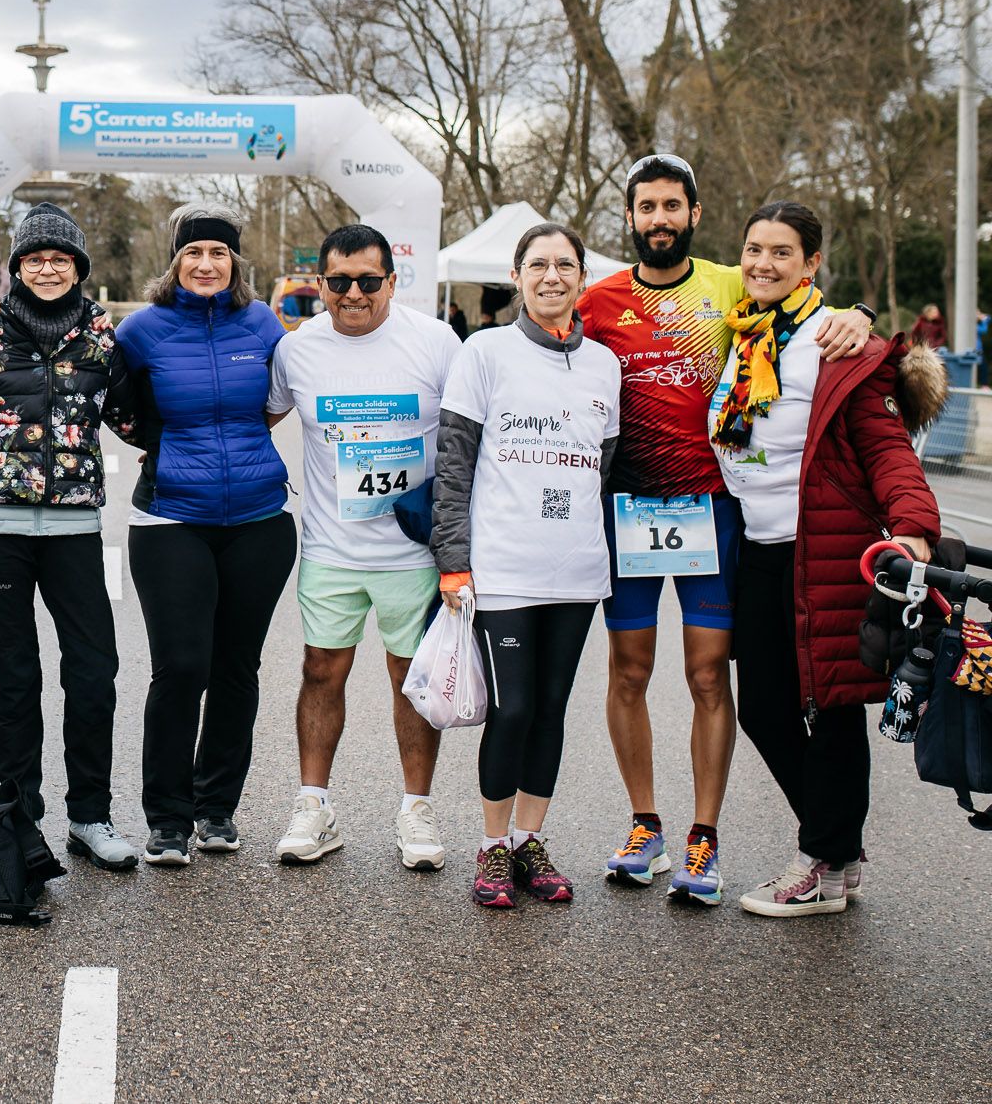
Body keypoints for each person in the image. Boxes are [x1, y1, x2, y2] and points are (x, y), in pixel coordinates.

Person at [577, 154, 870, 902]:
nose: (659, 219)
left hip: (715, 508)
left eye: (672, 205)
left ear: (695, 214)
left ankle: (705, 838)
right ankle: (647, 824)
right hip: (631, 509)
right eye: (647, 207)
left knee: (710, 674)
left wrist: (859, 315)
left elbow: (807, 300)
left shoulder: (733, 283)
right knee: (629, 673)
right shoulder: (599, 299)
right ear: (631, 215)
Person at [711, 201, 942, 917]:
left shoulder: (839, 345)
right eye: (754, 249)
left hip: (827, 551)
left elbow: (886, 448)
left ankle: (820, 859)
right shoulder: (741, 332)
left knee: (831, 709)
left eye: (782, 253)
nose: (763, 264)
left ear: (812, 263)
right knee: (765, 710)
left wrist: (914, 528)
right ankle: (837, 850)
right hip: (758, 549)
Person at [433, 222, 620, 909]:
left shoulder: (605, 364)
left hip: (574, 572)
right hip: (502, 569)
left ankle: (528, 843)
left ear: (581, 276)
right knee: (510, 712)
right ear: (517, 276)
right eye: (537, 264)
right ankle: (489, 848)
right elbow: (453, 465)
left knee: (550, 710)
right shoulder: (484, 352)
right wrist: (453, 561)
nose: (551, 276)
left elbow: (599, 470)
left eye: (564, 264)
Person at [265, 224, 461, 871]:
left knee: (413, 681)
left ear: (391, 282)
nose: (353, 294)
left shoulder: (435, 342)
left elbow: (468, 442)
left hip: (413, 551)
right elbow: (254, 420)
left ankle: (416, 808)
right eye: (339, 281)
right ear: (319, 282)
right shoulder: (297, 352)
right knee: (321, 670)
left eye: (368, 281)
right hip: (331, 547)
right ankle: (313, 804)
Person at [0, 202, 141, 872]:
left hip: (74, 527)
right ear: (17, 267)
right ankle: (19, 819)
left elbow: (131, 418)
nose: (48, 267)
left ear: (79, 267)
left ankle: (89, 814)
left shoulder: (104, 341)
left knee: (94, 671)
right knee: (13, 677)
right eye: (35, 257)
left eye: (61, 258)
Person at [117, 204, 295, 866]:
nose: (206, 264)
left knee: (235, 669)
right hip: (171, 520)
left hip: (257, 520)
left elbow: (273, 405)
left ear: (234, 261)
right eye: (194, 253)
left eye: (218, 253)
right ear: (175, 261)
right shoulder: (142, 330)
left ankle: (215, 808)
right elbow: (118, 407)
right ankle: (166, 818)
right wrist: (162, 445)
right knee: (182, 666)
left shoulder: (262, 323)